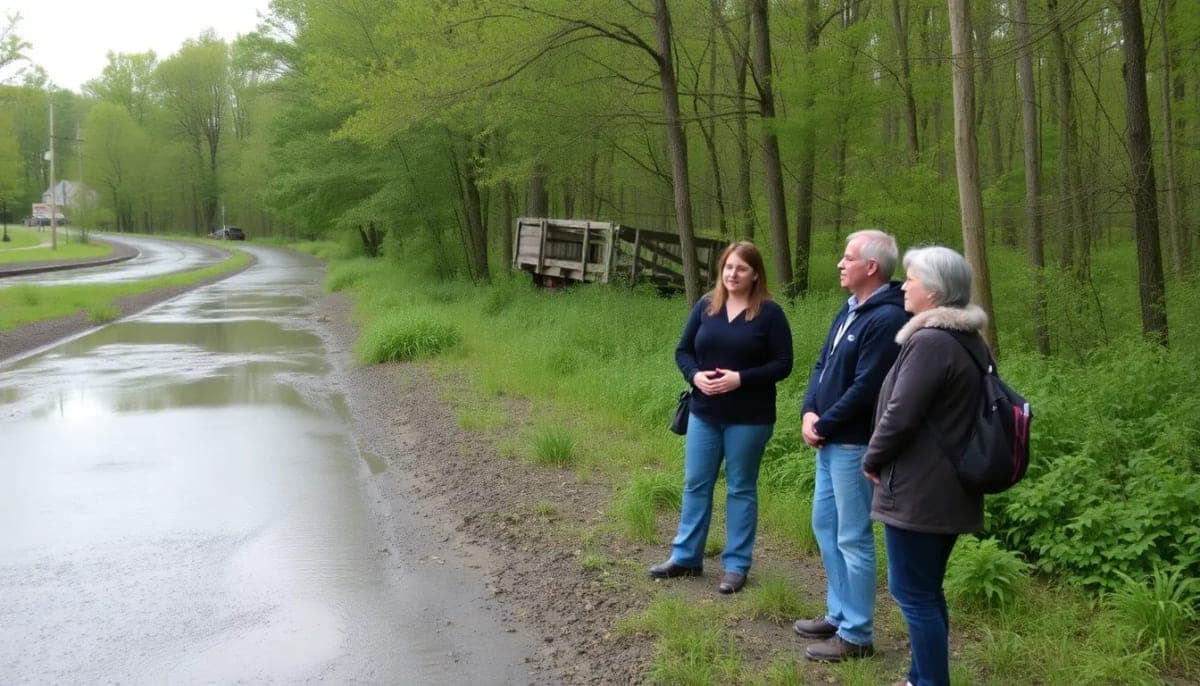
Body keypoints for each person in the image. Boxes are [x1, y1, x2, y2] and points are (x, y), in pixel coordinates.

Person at [861, 246, 988, 686]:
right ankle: (921, 676)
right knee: (925, 592)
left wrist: (872, 457)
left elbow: (900, 413)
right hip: (948, 487)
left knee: (912, 594)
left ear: (933, 292)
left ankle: (930, 681)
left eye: (911, 278)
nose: (904, 285)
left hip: (921, 491)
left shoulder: (931, 341)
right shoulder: (965, 340)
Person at [649, 241, 793, 594]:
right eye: (728, 267)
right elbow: (683, 351)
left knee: (741, 488)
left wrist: (741, 378)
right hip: (704, 412)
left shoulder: (770, 313)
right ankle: (686, 557)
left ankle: (736, 565)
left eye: (741, 268)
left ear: (755, 273)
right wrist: (694, 376)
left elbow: (783, 364)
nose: (733, 274)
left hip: (750, 417)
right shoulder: (706, 307)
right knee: (696, 483)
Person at [793, 229, 909, 662]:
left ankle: (858, 635)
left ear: (871, 267)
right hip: (829, 440)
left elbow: (867, 387)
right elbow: (822, 365)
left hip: (853, 444)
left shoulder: (886, 318)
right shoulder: (851, 309)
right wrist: (808, 412)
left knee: (853, 537)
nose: (840, 264)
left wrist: (825, 422)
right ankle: (838, 614)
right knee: (826, 527)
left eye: (847, 258)